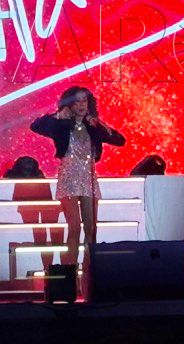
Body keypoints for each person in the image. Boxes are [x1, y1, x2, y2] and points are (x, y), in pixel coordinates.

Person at [30, 86, 126, 265]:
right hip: (69, 176)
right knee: (74, 227)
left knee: (91, 228)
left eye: (84, 101)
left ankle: (89, 270)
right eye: (76, 101)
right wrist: (57, 116)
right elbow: (35, 126)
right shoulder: (61, 125)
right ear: (69, 104)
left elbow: (120, 141)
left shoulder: (92, 126)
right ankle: (70, 272)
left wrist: (100, 124)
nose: (81, 105)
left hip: (88, 177)